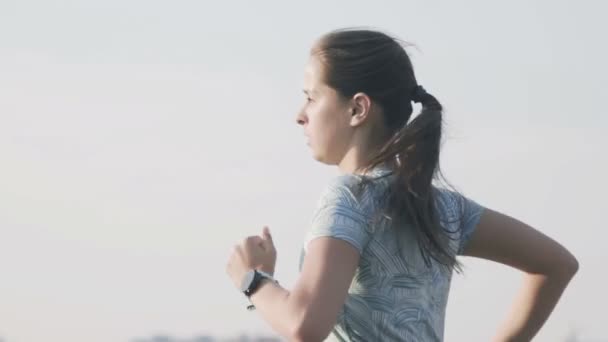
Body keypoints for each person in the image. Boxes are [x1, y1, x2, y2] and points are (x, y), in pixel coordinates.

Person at [225, 28, 579, 342]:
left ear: (357, 109)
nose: (299, 114)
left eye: (312, 97)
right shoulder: (444, 208)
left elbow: (304, 325)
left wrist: (253, 280)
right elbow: (557, 264)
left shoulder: (349, 197)